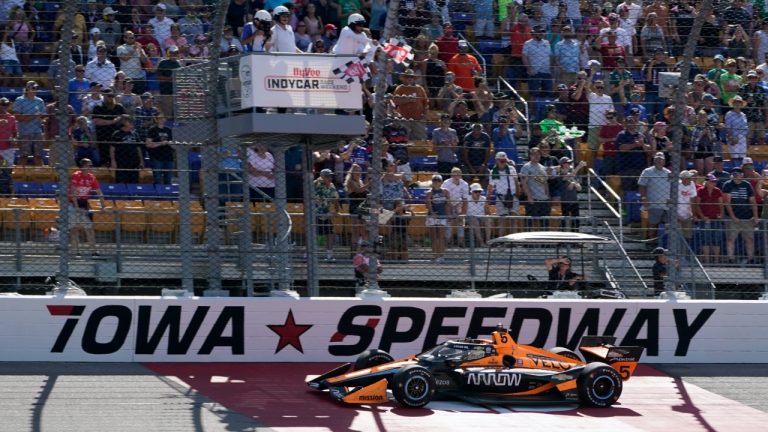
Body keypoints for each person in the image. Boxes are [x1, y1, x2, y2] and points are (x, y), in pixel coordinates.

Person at [68, 158, 105, 257]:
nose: (91, 168)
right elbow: (73, 192)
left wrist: (103, 206)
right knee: (74, 229)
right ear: (83, 166)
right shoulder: (76, 175)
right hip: (73, 203)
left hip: (84, 203)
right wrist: (76, 207)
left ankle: (93, 251)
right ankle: (75, 252)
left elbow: (99, 192)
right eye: (90, 166)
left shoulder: (91, 177)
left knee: (89, 228)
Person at [722, 168, 759, 265]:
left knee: (749, 239)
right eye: (734, 174)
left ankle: (751, 259)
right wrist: (733, 216)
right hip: (732, 218)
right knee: (731, 239)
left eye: (738, 173)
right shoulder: (727, 185)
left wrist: (755, 216)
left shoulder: (747, 185)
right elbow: (727, 202)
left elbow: (752, 201)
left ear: (742, 175)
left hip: (747, 217)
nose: (736, 175)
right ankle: (731, 259)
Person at [638, 152, 671, 243]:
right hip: (653, 202)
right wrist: (644, 198)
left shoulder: (668, 173)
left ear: (664, 161)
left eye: (661, 159)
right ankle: (651, 242)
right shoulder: (647, 171)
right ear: (654, 160)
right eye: (657, 159)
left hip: (666, 204)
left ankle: (665, 244)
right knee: (653, 224)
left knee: (668, 225)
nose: (659, 161)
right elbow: (642, 185)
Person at [11, 81, 45, 167]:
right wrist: (34, 116)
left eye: (36, 88)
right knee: (24, 156)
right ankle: (20, 173)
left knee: (38, 156)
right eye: (33, 88)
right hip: (24, 132)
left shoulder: (39, 101)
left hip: (37, 131)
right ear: (27, 89)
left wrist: (41, 119)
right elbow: (18, 117)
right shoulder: (20, 100)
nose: (35, 90)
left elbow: (43, 116)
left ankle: (40, 173)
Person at [487, 151, 520, 238]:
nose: (502, 162)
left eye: (504, 160)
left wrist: (517, 194)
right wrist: (488, 198)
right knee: (502, 221)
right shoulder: (493, 172)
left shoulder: (511, 169)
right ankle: (502, 240)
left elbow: (516, 182)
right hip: (501, 197)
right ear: (496, 160)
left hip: (512, 196)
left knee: (514, 220)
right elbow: (491, 186)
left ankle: (514, 240)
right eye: (501, 160)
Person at [695, 173, 724, 264]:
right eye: (712, 181)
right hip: (705, 219)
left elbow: (721, 204)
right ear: (707, 182)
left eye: (714, 181)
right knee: (705, 240)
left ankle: (716, 261)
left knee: (716, 240)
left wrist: (721, 215)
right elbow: (697, 205)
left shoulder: (717, 191)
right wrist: (702, 216)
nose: (714, 183)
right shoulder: (700, 191)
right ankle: (707, 261)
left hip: (715, 219)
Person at [393, 69, 429, 141]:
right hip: (404, 120)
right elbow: (395, 102)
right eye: (407, 76)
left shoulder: (420, 88)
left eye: (411, 77)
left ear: (414, 78)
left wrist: (425, 115)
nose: (409, 78)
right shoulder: (400, 88)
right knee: (404, 140)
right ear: (404, 78)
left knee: (420, 140)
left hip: (418, 120)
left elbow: (426, 103)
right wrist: (407, 100)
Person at [520, 147, 551, 230]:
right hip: (533, 198)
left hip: (544, 199)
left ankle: (543, 237)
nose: (536, 156)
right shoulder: (526, 167)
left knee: (544, 223)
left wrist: (547, 195)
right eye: (534, 154)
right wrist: (529, 196)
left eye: (538, 154)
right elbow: (524, 183)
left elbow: (545, 182)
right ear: (530, 156)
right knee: (529, 222)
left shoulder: (542, 167)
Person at [110, 114, 144, 184]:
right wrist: (113, 161)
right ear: (123, 122)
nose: (131, 123)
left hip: (134, 161)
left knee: (134, 181)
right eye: (129, 121)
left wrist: (141, 161)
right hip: (121, 161)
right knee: (121, 181)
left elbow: (138, 148)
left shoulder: (135, 134)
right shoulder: (117, 134)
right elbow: (112, 148)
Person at [315, 168, 339, 262]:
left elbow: (335, 198)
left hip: (326, 213)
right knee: (313, 234)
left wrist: (336, 209)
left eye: (330, 176)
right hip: (315, 213)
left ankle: (329, 255)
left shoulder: (331, 186)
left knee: (330, 233)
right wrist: (318, 181)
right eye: (327, 176)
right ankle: (308, 254)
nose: (330, 178)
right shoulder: (317, 184)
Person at [426, 174, 451, 262]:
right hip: (432, 216)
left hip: (442, 215)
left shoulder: (445, 191)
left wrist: (449, 214)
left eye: (438, 181)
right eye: (435, 181)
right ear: (432, 182)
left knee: (441, 237)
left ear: (441, 182)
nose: (436, 182)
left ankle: (441, 256)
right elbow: (428, 204)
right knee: (434, 237)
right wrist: (433, 213)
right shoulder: (429, 193)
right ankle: (435, 255)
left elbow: (448, 204)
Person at [556, 157, 586, 232]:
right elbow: (569, 187)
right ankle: (563, 236)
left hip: (574, 200)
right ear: (563, 164)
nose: (569, 164)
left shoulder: (572, 175)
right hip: (565, 201)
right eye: (568, 163)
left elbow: (579, 188)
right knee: (564, 221)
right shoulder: (560, 175)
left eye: (570, 163)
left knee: (576, 221)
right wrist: (578, 167)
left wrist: (573, 183)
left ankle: (575, 236)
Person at [443, 167, 469, 248]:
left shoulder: (464, 184)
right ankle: (448, 242)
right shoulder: (446, 183)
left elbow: (465, 199)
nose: (456, 177)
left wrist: (463, 213)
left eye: (458, 175)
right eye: (454, 175)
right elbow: (444, 197)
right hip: (447, 203)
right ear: (451, 175)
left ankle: (461, 242)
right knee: (449, 222)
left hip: (459, 203)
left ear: (461, 175)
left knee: (461, 222)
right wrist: (450, 206)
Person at [144, 113, 174, 185]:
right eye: (160, 118)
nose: (162, 119)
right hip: (157, 157)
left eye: (163, 118)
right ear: (156, 120)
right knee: (157, 178)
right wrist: (161, 143)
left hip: (168, 156)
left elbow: (172, 142)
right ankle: (158, 191)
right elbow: (148, 144)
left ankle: (167, 191)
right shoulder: (152, 130)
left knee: (168, 178)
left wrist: (171, 143)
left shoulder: (168, 130)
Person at [155, 45, 181, 119]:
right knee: (168, 115)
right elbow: (158, 77)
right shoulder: (163, 62)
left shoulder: (179, 63)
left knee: (177, 115)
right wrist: (170, 79)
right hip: (166, 91)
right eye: (172, 53)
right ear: (169, 53)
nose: (173, 55)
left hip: (177, 92)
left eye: (175, 53)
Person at [0, 97, 17, 166]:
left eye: (7, 105)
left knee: (8, 167)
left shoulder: (11, 118)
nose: (5, 106)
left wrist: (14, 139)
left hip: (8, 146)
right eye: (2, 105)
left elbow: (14, 131)